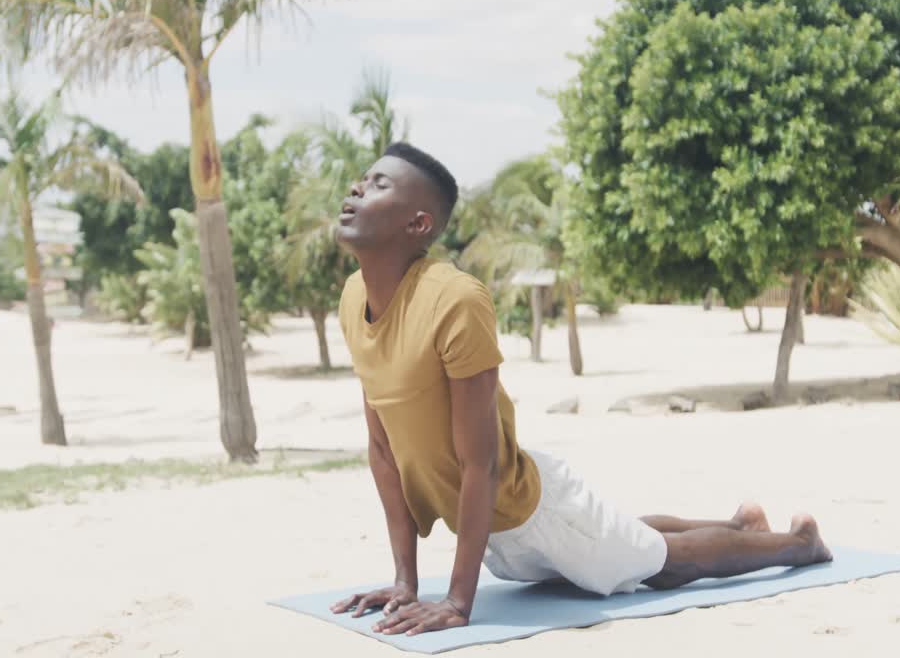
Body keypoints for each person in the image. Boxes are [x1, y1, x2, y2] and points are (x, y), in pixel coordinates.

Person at [328, 143, 833, 637]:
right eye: (363, 178)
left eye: (379, 184)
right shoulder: (354, 298)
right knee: (617, 535)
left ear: (418, 224)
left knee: (664, 566)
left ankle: (799, 544)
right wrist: (404, 583)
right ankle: (740, 524)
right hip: (493, 532)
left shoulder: (454, 299)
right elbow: (383, 451)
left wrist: (459, 602)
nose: (356, 188)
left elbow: (480, 464)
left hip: (531, 511)